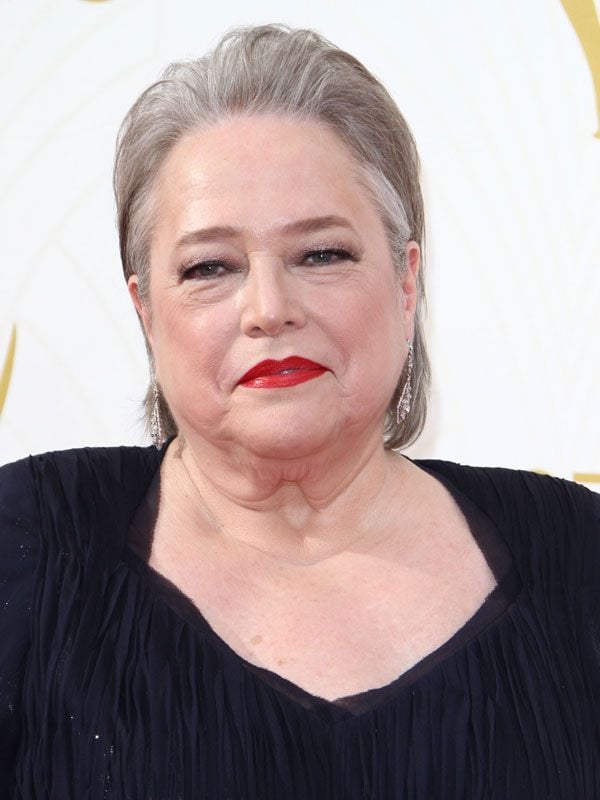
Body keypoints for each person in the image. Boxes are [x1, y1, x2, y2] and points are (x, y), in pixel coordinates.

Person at [0, 24, 598, 800]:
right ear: (146, 311)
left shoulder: (581, 558)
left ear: (406, 281)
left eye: (321, 254)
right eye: (209, 267)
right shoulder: (25, 549)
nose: (268, 308)